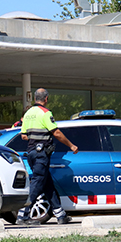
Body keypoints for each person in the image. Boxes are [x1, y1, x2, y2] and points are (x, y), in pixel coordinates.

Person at [16, 88, 78, 225]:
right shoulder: (45, 113)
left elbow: (24, 135)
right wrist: (71, 145)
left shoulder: (28, 114)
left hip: (31, 153)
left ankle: (61, 215)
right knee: (38, 182)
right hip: (41, 154)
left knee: (47, 184)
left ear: (34, 99)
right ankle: (23, 215)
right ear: (46, 99)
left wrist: (35, 137)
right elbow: (56, 133)